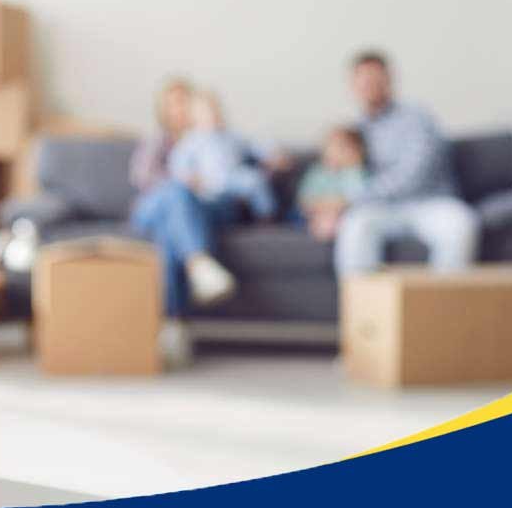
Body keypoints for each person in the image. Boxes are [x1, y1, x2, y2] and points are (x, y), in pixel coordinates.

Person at [128, 79, 246, 367]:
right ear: (163, 110)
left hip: (197, 210)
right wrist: (182, 183)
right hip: (155, 206)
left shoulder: (217, 139)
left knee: (169, 234)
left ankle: (174, 324)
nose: (181, 108)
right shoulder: (156, 142)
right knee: (175, 194)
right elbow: (142, 179)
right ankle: (199, 263)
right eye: (174, 102)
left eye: (185, 101)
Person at [333, 51, 479, 275]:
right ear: (353, 85)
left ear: (389, 80)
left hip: (430, 203)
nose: (370, 85)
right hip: (382, 209)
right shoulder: (354, 130)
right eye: (364, 81)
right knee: (354, 227)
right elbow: (340, 175)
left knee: (460, 226)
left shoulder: (416, 117)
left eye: (376, 79)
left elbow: (414, 174)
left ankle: (442, 307)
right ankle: (364, 307)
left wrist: (353, 198)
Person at [168, 90, 278, 220]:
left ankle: (266, 215)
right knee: (203, 197)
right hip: (209, 183)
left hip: (233, 177)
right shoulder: (192, 140)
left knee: (255, 180)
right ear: (194, 117)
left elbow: (254, 146)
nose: (212, 115)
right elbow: (178, 164)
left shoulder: (231, 135)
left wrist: (271, 154)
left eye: (215, 110)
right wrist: (188, 177)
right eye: (206, 112)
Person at [297, 126, 368, 241]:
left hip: (343, 215)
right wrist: (327, 206)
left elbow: (355, 198)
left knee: (352, 217)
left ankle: (331, 226)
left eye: (340, 148)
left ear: (355, 151)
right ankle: (326, 225)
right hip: (314, 214)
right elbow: (305, 201)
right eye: (329, 146)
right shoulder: (317, 172)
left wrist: (354, 165)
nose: (332, 151)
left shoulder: (355, 172)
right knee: (324, 217)